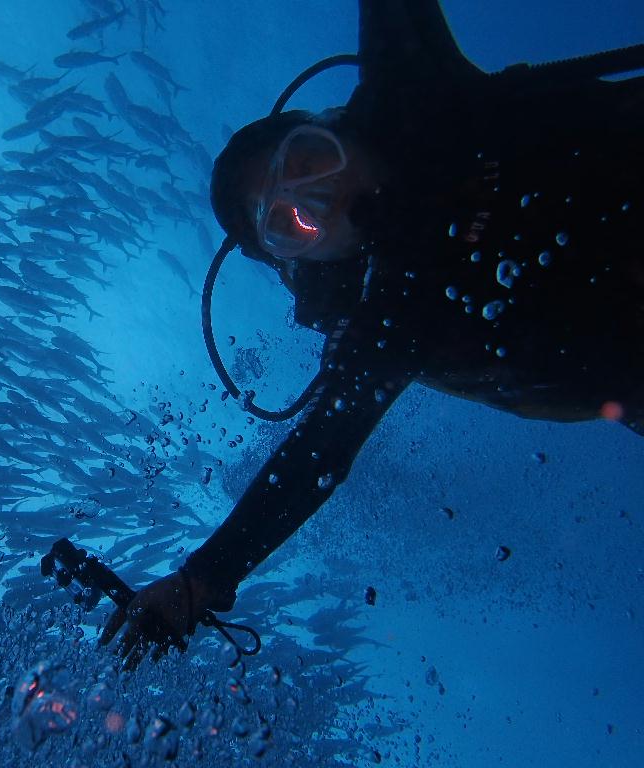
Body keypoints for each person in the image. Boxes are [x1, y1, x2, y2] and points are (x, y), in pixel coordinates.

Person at [100, 0, 644, 669]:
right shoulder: (388, 322)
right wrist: (198, 582)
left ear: (329, 125)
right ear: (297, 261)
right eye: (290, 222)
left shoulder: (413, 95)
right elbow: (319, 452)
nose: (318, 198)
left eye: (305, 161)